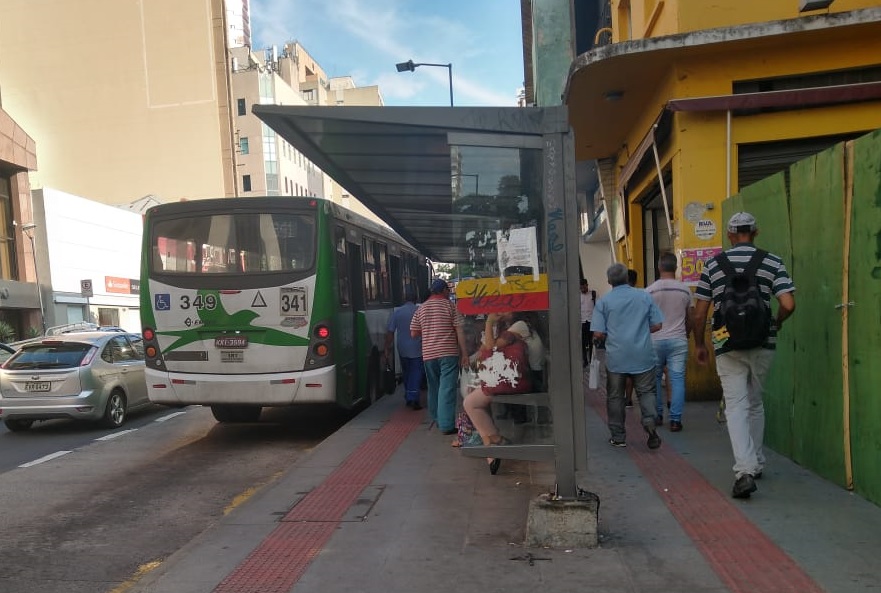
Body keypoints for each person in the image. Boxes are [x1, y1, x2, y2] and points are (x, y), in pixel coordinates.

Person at [693, 212, 796, 499]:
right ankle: (758, 461)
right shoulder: (772, 261)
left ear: (729, 235)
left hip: (727, 343)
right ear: (755, 232)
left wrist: (700, 344)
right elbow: (788, 302)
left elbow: (700, 311)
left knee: (736, 405)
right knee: (754, 402)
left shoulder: (713, 265)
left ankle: (745, 470)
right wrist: (778, 321)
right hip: (763, 342)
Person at [592, 263, 664, 450]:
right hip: (643, 355)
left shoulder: (603, 302)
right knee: (647, 392)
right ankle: (650, 426)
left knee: (615, 397)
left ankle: (618, 437)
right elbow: (657, 325)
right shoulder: (644, 296)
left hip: (617, 358)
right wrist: (639, 331)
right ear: (627, 278)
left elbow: (598, 333)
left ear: (609, 281)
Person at [463, 312, 532, 474]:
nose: (499, 312)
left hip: (516, 380)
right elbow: (483, 350)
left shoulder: (519, 326)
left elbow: (490, 347)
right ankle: (492, 443)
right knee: (472, 399)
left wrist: (489, 322)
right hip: (509, 378)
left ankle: (495, 441)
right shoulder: (510, 329)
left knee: (470, 403)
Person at [410, 279, 470, 435]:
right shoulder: (450, 306)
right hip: (448, 353)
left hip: (429, 354)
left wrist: (429, 330)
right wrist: (464, 354)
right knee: (447, 389)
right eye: (447, 290)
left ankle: (437, 418)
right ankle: (446, 425)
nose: (449, 292)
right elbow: (460, 331)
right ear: (443, 290)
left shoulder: (421, 308)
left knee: (434, 388)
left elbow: (414, 333)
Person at [646, 252, 693, 431]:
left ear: (659, 267)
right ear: (676, 268)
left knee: (655, 379)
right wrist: (686, 334)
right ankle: (675, 420)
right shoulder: (685, 290)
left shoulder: (649, 291)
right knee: (677, 379)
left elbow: (646, 319)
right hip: (678, 340)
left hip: (655, 341)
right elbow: (691, 317)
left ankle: (657, 415)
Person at [384, 286, 423, 410]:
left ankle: (408, 396)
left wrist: (387, 347)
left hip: (402, 348)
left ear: (404, 298)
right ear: (415, 298)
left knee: (406, 373)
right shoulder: (419, 311)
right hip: (417, 348)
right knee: (416, 373)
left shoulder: (398, 312)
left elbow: (390, 332)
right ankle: (414, 398)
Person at [624, 268, 639, 408]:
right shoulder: (642, 296)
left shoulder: (613, 297)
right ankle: (629, 398)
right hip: (638, 340)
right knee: (634, 373)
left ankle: (625, 398)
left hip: (620, 341)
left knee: (623, 373)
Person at [579, 279, 596, 367]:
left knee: (591, 342)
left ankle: (591, 360)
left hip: (591, 321)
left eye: (584, 287)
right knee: (582, 342)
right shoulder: (578, 296)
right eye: (581, 288)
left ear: (587, 285)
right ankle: (585, 361)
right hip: (582, 322)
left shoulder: (593, 294)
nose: (582, 289)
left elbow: (597, 308)